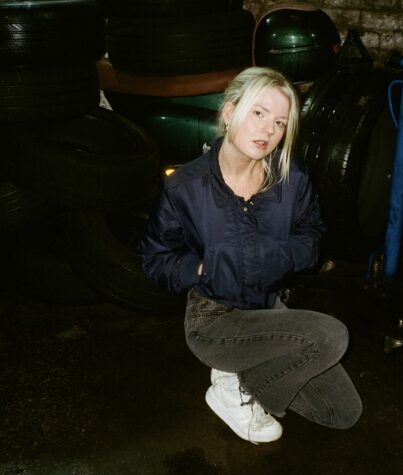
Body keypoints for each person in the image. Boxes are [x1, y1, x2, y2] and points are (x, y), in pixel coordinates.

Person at [138, 66, 362, 444]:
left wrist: (282, 255)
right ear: (230, 112)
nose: (268, 131)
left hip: (267, 308)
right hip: (214, 320)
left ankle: (244, 374)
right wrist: (202, 267)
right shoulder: (186, 187)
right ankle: (233, 386)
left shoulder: (291, 178)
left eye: (279, 123)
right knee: (331, 337)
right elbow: (154, 258)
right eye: (258, 113)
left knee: (341, 412)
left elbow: (311, 236)